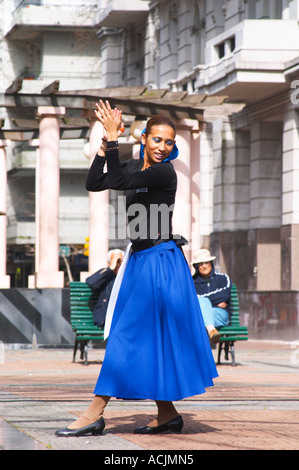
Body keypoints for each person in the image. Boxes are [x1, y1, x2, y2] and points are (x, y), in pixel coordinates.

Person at [55, 100, 218, 438]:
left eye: (169, 142)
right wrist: (105, 144)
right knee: (145, 337)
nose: (163, 147)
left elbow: (114, 177)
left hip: (160, 262)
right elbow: (95, 182)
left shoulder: (163, 172)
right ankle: (168, 413)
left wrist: (113, 139)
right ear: (144, 138)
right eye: (157, 139)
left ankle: (94, 412)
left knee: (126, 335)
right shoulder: (135, 167)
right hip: (141, 263)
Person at [192, 248, 231, 344]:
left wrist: (202, 299)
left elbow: (225, 295)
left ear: (211, 263)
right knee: (202, 303)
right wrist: (215, 301)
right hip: (199, 315)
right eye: (200, 264)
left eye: (206, 263)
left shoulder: (223, 278)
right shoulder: (192, 282)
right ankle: (211, 330)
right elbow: (191, 300)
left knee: (202, 302)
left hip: (219, 315)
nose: (204, 266)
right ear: (196, 266)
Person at [85, 249, 124, 327]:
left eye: (120, 261)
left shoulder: (128, 277)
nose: (118, 264)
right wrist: (109, 269)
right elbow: (91, 282)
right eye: (115, 261)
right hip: (105, 320)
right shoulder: (105, 276)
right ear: (109, 263)